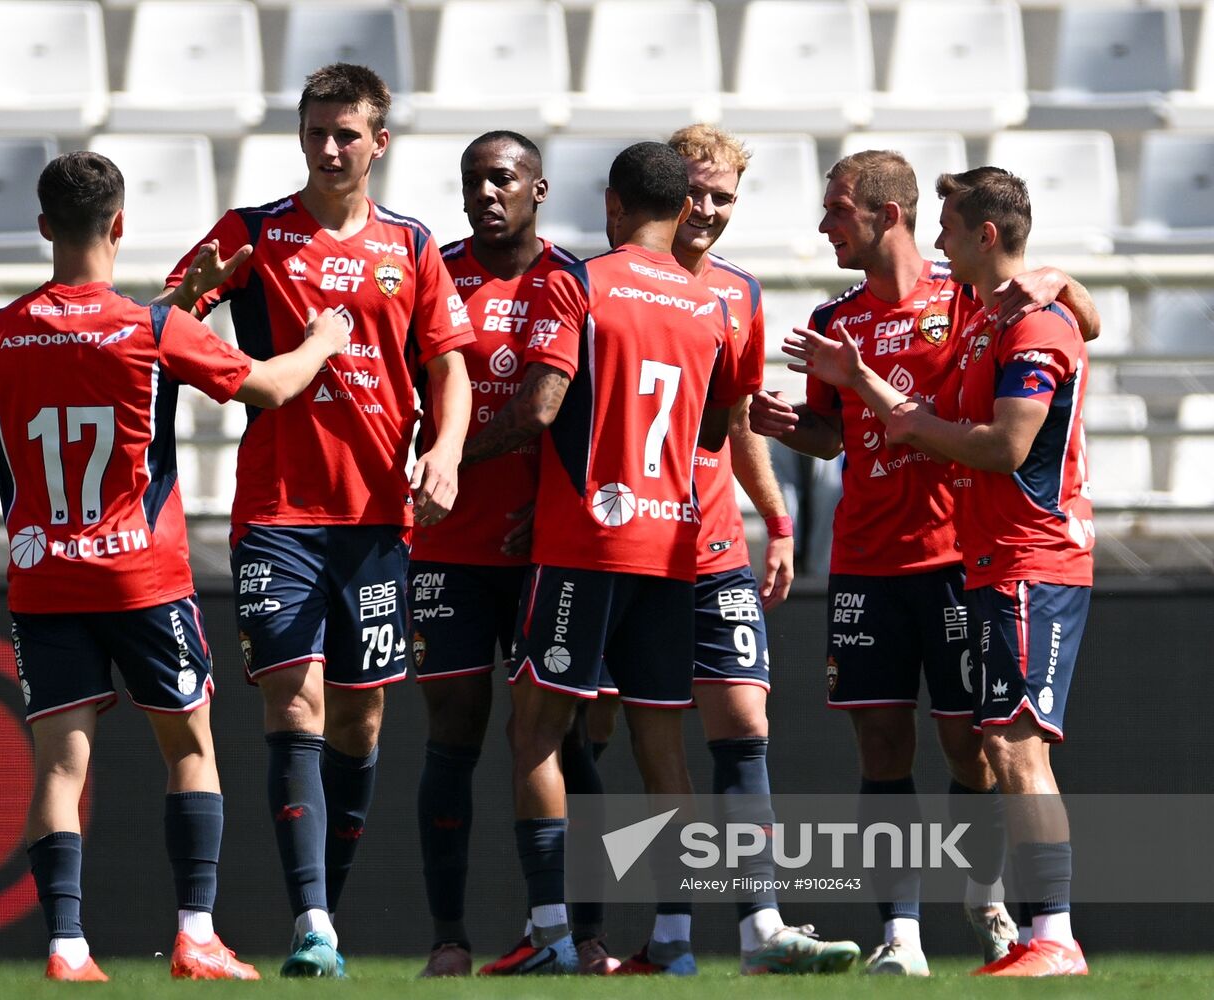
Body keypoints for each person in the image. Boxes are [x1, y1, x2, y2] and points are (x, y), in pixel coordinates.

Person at [0, 151, 350, 982]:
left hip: (45, 576)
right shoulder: (151, 328)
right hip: (141, 578)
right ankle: (196, 934)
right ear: (119, 225)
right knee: (189, 748)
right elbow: (267, 387)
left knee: (60, 763)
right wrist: (323, 341)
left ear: (46, 226)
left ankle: (66, 945)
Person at [154, 63, 474, 976]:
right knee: (293, 701)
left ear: (380, 142)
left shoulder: (411, 245)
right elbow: (161, 325)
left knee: (361, 723)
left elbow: (446, 365)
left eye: (346, 134)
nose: (328, 149)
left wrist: (445, 450)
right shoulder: (254, 233)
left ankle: (322, 902)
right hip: (278, 514)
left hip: (377, 520)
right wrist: (214, 335)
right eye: (315, 131)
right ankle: (313, 926)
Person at [749, 150, 1099, 975]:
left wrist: (1055, 277)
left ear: (887, 215)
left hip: (963, 554)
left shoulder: (974, 303)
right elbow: (835, 431)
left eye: (837, 210)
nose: (824, 225)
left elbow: (1067, 329)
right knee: (881, 745)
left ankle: (999, 903)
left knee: (978, 748)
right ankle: (899, 937)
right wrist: (785, 424)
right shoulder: (839, 318)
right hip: (870, 560)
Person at [462, 140, 745, 976]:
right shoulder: (707, 304)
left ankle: (550, 933)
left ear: (614, 206)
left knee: (535, 734)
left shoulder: (579, 281)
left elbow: (539, 409)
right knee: (665, 751)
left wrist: (445, 457)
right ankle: (674, 941)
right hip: (674, 547)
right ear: (683, 209)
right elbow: (714, 429)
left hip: (586, 544)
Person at [587, 125, 858, 977]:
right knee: (621, 736)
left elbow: (736, 424)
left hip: (708, 545)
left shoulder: (738, 293)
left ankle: (760, 928)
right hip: (622, 547)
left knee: (743, 722)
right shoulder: (601, 283)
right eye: (695, 191)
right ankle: (649, 933)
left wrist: (774, 522)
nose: (706, 210)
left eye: (723, 198)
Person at [407, 130, 605, 977]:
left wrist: (465, 463)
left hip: (545, 551)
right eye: (472, 181)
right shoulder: (434, 275)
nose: (485, 193)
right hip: (445, 548)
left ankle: (579, 931)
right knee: (452, 734)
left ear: (538, 188)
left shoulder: (571, 282)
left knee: (569, 742)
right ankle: (449, 937)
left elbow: (576, 414)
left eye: (502, 179)